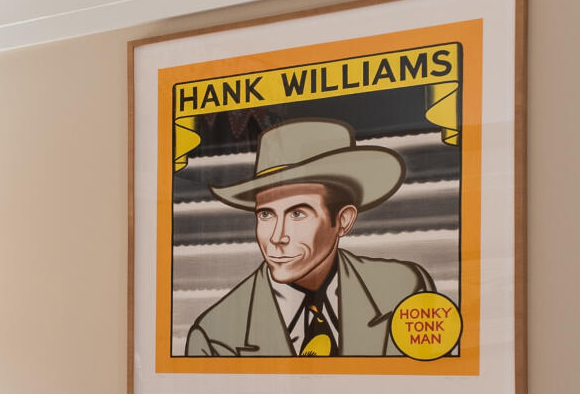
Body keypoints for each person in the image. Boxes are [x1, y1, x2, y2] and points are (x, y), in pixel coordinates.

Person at [183, 116, 435, 357]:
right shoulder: (215, 335)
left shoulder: (404, 289)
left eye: (297, 214)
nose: (276, 237)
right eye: (266, 215)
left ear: (343, 220)